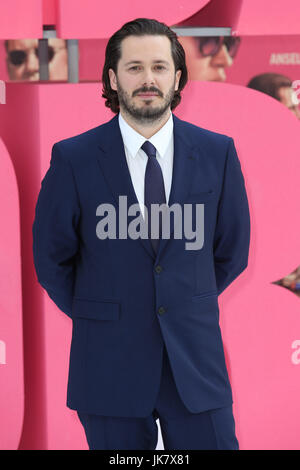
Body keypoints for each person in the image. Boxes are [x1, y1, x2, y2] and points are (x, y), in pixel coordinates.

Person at [32, 18, 250, 450]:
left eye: (158, 67)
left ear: (177, 76)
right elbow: (51, 260)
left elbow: (231, 252)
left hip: (195, 364)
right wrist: (103, 311)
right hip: (108, 363)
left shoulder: (217, 152)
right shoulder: (73, 158)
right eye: (133, 68)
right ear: (112, 78)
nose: (147, 79)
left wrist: (183, 298)